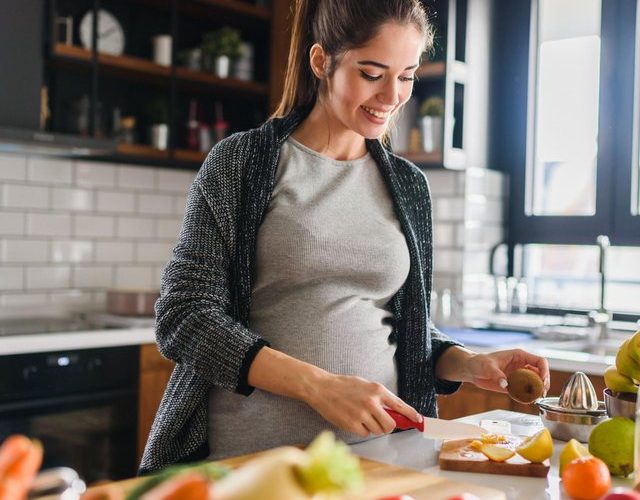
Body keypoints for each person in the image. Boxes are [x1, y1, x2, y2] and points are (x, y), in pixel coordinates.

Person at [139, 0, 550, 474]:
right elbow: (184, 317)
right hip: (253, 463)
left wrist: (468, 363)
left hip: (376, 461)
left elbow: (401, 328)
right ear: (321, 62)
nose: (392, 96)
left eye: (407, 75)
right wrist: (320, 386)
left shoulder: (409, 186)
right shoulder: (242, 163)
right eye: (372, 73)